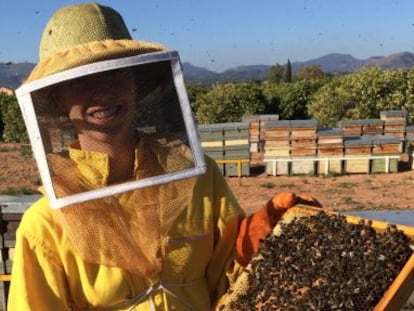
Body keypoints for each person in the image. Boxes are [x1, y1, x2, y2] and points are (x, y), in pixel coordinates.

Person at [8, 3, 320, 310]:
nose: (102, 91)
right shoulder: (45, 225)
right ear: (57, 99)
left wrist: (258, 245)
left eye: (114, 74)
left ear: (135, 83)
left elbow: (233, 282)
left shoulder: (197, 178)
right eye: (80, 80)